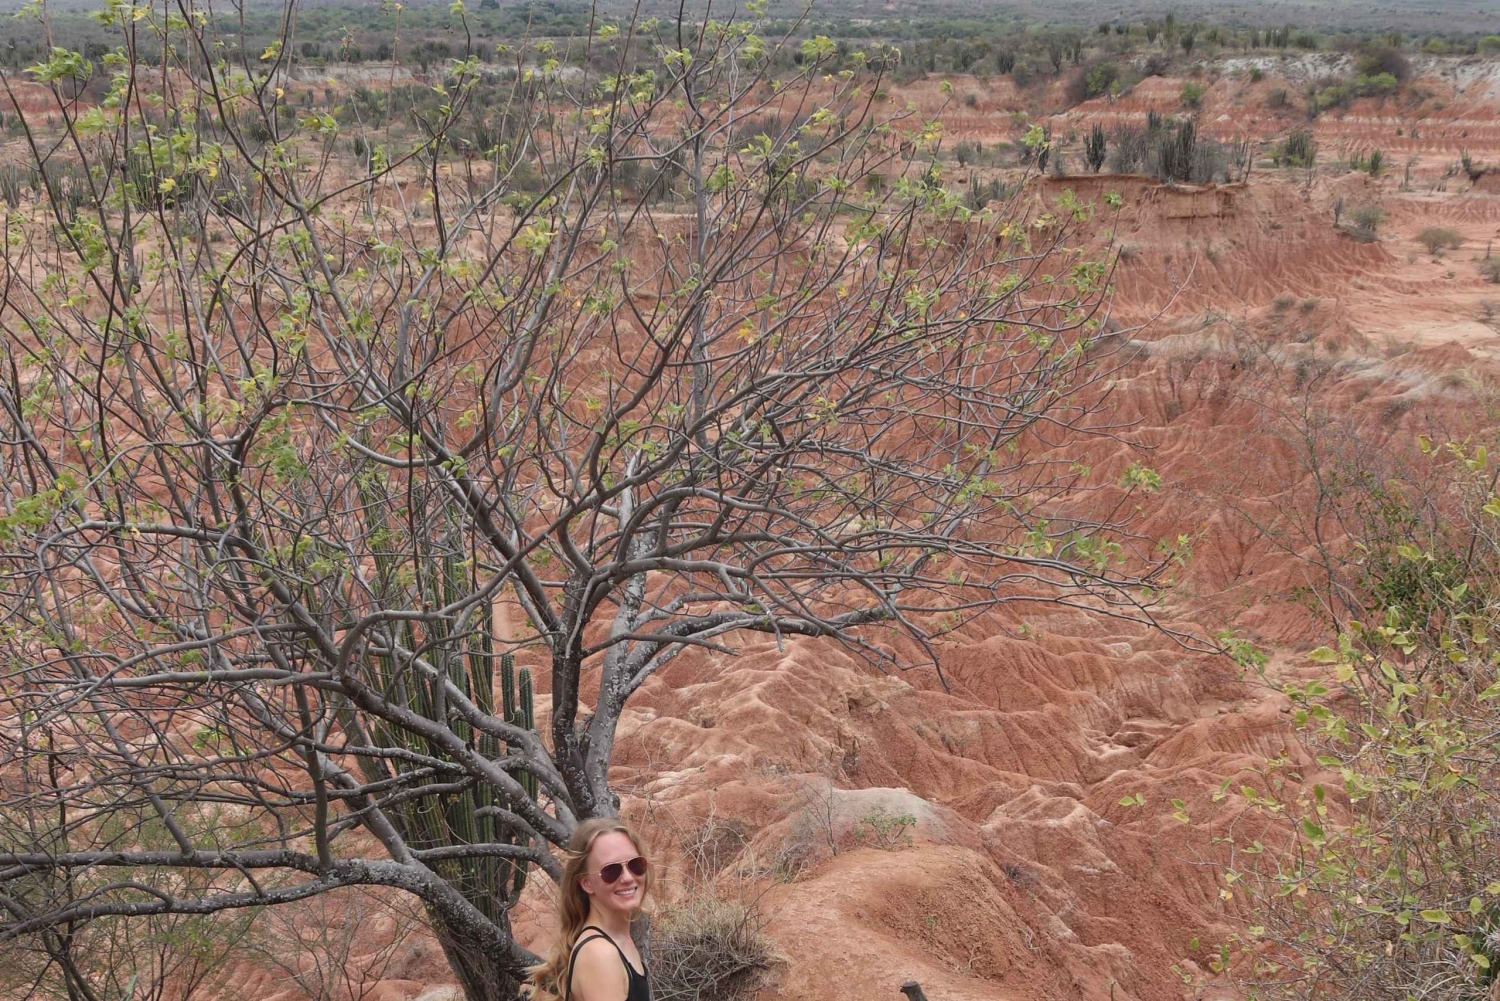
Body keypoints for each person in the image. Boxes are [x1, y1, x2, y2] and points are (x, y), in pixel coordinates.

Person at [527, 818, 653, 1001]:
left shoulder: (618, 939)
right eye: (611, 871)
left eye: (635, 864)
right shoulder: (600, 954)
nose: (627, 877)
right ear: (586, 883)